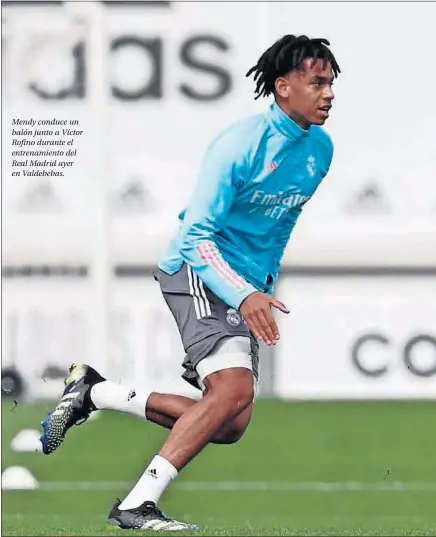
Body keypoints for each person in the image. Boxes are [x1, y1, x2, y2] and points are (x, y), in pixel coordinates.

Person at [40, 34, 340, 531]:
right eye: (317, 82)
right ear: (283, 87)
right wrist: (243, 294)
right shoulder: (237, 147)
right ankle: (137, 504)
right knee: (230, 391)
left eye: (331, 83)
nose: (329, 93)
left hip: (245, 281)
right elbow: (197, 236)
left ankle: (96, 393)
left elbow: (277, 227)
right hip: (197, 265)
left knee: (230, 423)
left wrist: (260, 284)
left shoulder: (320, 151)